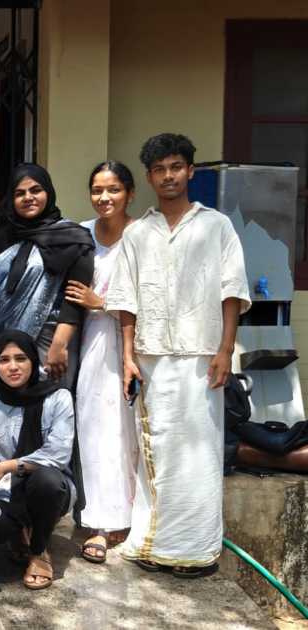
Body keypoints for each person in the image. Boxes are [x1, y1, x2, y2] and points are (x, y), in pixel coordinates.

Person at [106, 133, 250, 577]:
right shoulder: (137, 233)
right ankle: (153, 543)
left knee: (199, 455)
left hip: (202, 357)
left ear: (190, 171)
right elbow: (125, 301)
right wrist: (127, 356)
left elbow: (232, 291)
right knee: (156, 451)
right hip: (150, 358)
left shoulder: (216, 226)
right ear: (149, 177)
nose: (168, 176)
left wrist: (225, 350)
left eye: (175, 167)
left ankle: (196, 550)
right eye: (159, 169)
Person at [64, 161, 138, 564]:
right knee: (95, 429)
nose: (104, 197)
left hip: (135, 344)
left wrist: (102, 302)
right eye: (97, 190)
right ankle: (100, 521)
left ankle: (129, 518)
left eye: (113, 189)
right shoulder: (81, 233)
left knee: (130, 433)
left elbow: (154, 298)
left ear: (130, 193)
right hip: (91, 343)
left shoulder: (143, 236)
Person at [0, 329, 77, 591]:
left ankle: (38, 551)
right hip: (5, 492)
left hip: (51, 488)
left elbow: (58, 455)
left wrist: (7, 466)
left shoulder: (57, 397)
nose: (13, 366)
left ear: (34, 361)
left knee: (46, 480)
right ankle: (18, 533)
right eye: (4, 360)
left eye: (21, 358)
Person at [0, 163, 95, 389]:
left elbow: (75, 299)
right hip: (5, 339)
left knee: (51, 401)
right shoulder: (3, 234)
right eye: (20, 193)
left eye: (35, 190)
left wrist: (60, 343)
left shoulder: (73, 237)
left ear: (48, 192)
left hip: (51, 338)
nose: (28, 197)